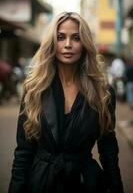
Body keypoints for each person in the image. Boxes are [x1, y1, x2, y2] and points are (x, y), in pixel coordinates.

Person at [9, 12, 124, 193]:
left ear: (84, 44)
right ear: (53, 42)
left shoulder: (103, 93)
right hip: (41, 183)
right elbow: (23, 150)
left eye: (76, 38)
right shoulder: (34, 88)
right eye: (61, 37)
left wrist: (116, 186)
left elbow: (108, 150)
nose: (68, 45)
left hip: (85, 183)